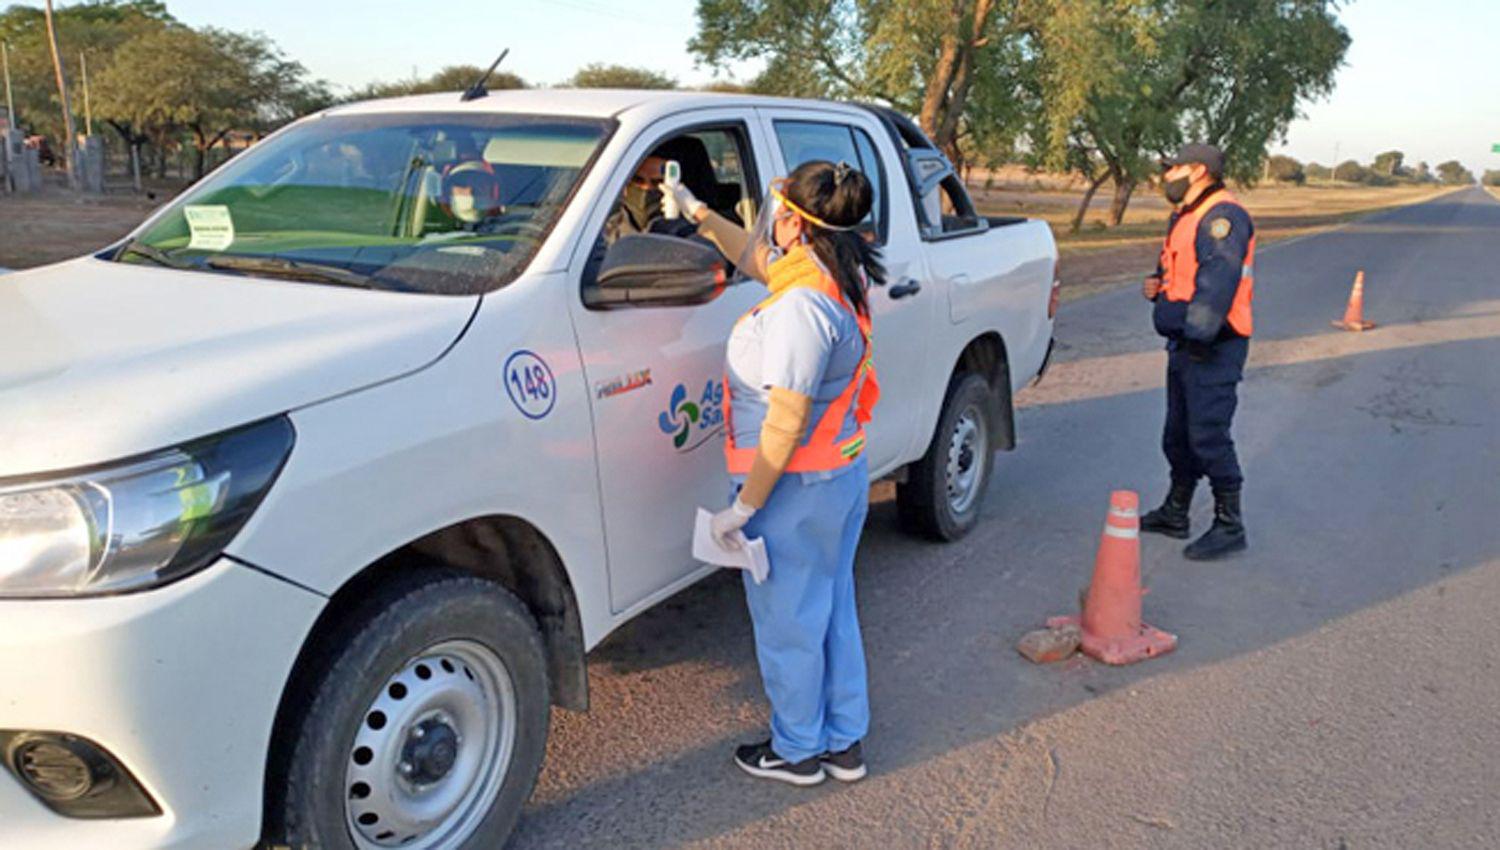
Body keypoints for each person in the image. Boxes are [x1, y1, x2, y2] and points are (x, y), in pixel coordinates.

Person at [665, 161, 885, 786]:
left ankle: (796, 752)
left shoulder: (801, 311)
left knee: (789, 622)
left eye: (778, 209)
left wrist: (744, 508)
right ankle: (843, 742)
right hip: (834, 479)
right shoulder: (831, 272)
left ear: (795, 220)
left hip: (793, 490)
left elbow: (785, 421)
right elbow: (759, 258)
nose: (770, 220)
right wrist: (699, 214)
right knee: (830, 606)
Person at [1139, 142, 1256, 560]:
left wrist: (1198, 339)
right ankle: (1176, 512)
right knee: (1178, 435)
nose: (1165, 176)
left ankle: (1230, 524)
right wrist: (1157, 285)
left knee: (1208, 435)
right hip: (1186, 343)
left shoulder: (1222, 216)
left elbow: (1217, 285)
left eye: (1172, 169)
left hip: (1212, 345)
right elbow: (1179, 269)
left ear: (1199, 171)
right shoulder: (1186, 215)